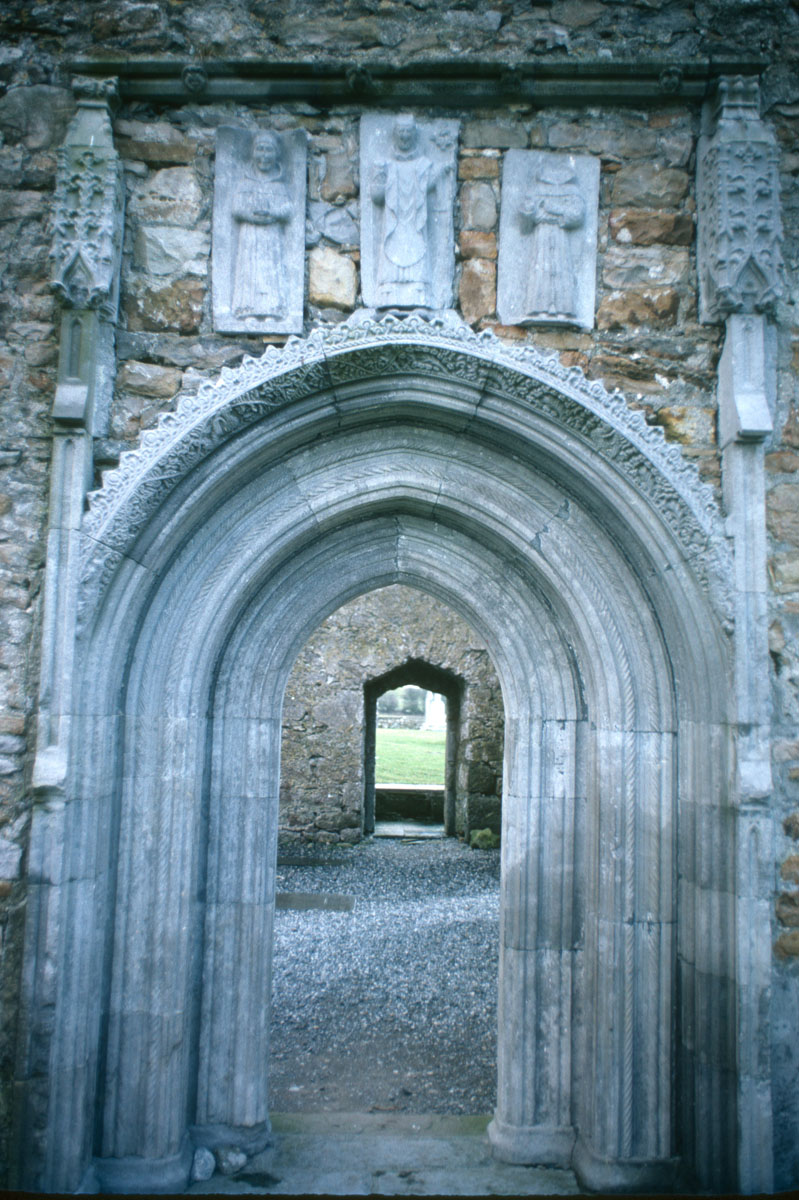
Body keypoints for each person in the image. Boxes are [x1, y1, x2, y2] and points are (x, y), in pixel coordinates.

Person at [371, 115, 440, 308]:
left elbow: (430, 185)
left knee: (417, 250)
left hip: (414, 223)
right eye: (401, 131)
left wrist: (441, 171)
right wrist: (379, 177)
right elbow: (376, 196)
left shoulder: (423, 164)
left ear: (414, 135)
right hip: (394, 223)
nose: (404, 136)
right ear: (395, 134)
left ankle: (418, 297)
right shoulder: (385, 163)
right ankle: (389, 297)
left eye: (408, 132)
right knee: (391, 251)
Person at [231, 131, 292, 319]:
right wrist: (251, 215)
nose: (264, 156)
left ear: (276, 155)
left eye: (269, 151)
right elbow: (236, 208)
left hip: (272, 236)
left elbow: (288, 210)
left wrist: (272, 214)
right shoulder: (245, 183)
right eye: (260, 150)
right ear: (254, 153)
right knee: (250, 271)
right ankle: (247, 311)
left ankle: (272, 311)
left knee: (270, 272)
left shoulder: (279, 186)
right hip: (250, 235)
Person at [519, 159, 584, 321]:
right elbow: (529, 212)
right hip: (542, 235)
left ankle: (564, 310)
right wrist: (554, 214)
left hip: (560, 236)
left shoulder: (572, 190)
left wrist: (550, 209)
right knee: (541, 267)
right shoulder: (537, 189)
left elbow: (577, 214)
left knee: (561, 267)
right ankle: (538, 309)